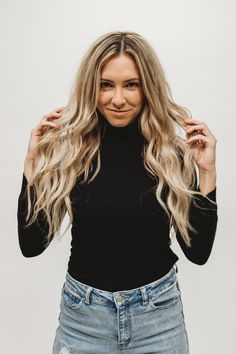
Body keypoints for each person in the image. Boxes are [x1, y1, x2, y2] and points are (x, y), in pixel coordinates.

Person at [17, 31, 218, 354]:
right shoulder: (69, 152)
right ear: (90, 87)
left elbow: (199, 252)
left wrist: (206, 171)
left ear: (147, 87)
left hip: (158, 320)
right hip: (83, 319)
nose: (118, 99)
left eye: (132, 84)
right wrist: (32, 164)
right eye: (106, 85)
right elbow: (30, 245)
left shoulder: (170, 154)